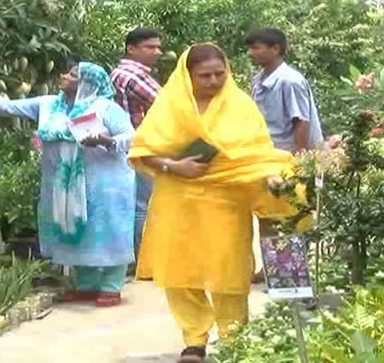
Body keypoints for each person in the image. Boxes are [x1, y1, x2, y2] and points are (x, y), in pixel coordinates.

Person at [128, 43, 308, 362]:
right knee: (181, 272)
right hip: (177, 197)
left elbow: (258, 154)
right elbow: (143, 152)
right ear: (188, 76)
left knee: (229, 271)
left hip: (226, 200)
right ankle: (194, 340)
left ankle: (233, 340)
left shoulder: (240, 105)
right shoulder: (169, 105)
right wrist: (175, 166)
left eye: (219, 74)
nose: (213, 81)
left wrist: (273, 177)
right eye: (204, 75)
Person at [0, 62, 136, 308]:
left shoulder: (106, 108)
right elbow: (6, 107)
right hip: (63, 183)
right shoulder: (48, 105)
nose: (64, 76)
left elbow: (131, 136)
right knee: (73, 226)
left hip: (105, 182)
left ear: (87, 83)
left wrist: (106, 140)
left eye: (73, 74)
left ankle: (110, 285)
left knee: (106, 228)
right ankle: (85, 285)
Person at [246, 27, 324, 283]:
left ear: (275, 49)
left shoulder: (289, 80)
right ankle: (272, 269)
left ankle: (286, 273)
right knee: (266, 215)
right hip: (263, 156)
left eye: (257, 47)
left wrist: (298, 160)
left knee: (286, 215)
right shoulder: (260, 79)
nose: (251, 53)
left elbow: (301, 120)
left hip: (285, 157)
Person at [110, 28, 162, 268]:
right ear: (131, 48)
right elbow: (166, 104)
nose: (157, 52)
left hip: (121, 145)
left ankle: (132, 258)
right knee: (144, 204)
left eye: (158, 47)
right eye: (150, 47)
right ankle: (144, 260)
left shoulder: (116, 73)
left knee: (131, 203)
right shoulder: (133, 75)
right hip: (139, 145)